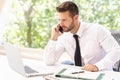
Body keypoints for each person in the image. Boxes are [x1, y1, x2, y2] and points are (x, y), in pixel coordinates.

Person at [44, 1, 120, 72]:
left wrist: (97, 66)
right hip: (79, 75)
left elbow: (116, 51)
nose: (60, 24)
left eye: (64, 20)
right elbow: (49, 61)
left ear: (75, 18)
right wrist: (53, 38)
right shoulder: (64, 35)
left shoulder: (97, 30)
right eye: (59, 20)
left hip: (102, 73)